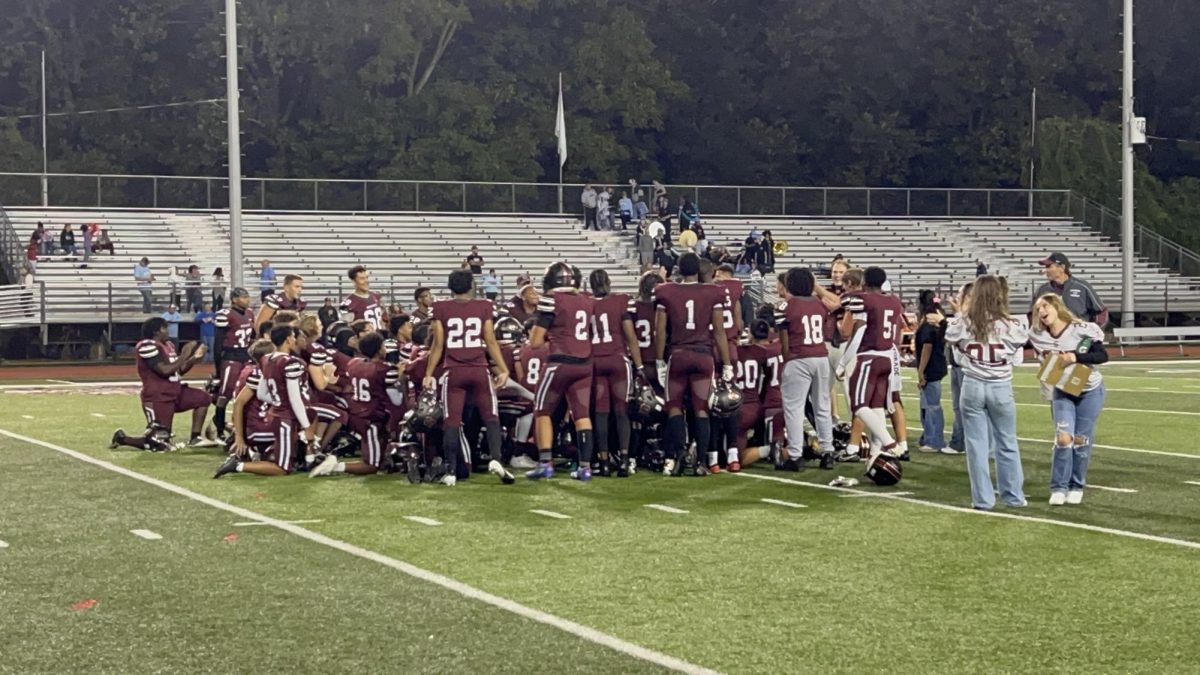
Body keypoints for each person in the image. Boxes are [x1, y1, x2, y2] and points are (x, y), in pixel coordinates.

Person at [945, 275, 1029, 511]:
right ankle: (1013, 496)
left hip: (972, 384)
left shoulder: (962, 322)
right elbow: (1018, 354)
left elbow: (952, 342)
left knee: (976, 446)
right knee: (1007, 442)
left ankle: (982, 499)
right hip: (1001, 386)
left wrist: (963, 313)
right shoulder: (1013, 325)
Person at [424, 269, 514, 486]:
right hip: (478, 368)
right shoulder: (484, 306)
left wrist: (428, 373)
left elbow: (438, 344)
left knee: (452, 420)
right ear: (471, 285)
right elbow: (490, 341)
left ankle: (452, 471)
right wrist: (504, 369)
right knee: (491, 416)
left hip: (453, 370)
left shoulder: (440, 307)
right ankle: (496, 459)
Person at [653, 252, 733, 476]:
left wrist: (659, 360)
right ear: (699, 269)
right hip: (703, 356)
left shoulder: (666, 291)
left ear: (678, 269)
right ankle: (701, 462)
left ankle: (678, 456)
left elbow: (659, 330)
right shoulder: (712, 292)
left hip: (678, 355)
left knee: (675, 407)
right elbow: (719, 332)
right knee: (702, 408)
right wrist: (726, 363)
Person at [1030, 293, 1109, 506]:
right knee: (1064, 439)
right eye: (1038, 309)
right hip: (1063, 390)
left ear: (1057, 307)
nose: (1041, 312)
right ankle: (1058, 487)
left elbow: (1102, 356)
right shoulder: (1036, 334)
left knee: (1081, 441)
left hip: (1089, 390)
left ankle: (1076, 485)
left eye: (1045, 306)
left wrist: (1075, 357)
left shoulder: (1081, 329)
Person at [526, 262, 597, 481]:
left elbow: (535, 342)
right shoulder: (587, 300)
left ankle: (545, 463)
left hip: (559, 362)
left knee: (542, 410)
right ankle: (585, 467)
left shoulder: (551, 300)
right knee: (582, 415)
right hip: (585, 363)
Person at [214, 325, 314, 478]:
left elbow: (261, 393)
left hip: (274, 415)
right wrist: (306, 427)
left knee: (310, 417)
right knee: (283, 468)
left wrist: (278, 401)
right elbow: (294, 399)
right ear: (288, 339)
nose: (295, 339)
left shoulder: (267, 360)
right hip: (283, 418)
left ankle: (303, 457)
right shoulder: (290, 362)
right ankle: (239, 465)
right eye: (293, 336)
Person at [309, 332, 403, 478]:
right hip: (371, 418)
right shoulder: (386, 369)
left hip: (358, 414)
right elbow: (397, 400)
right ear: (379, 349)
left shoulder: (354, 363)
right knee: (372, 465)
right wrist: (401, 378)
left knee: (377, 452)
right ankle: (335, 466)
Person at [109, 317, 210, 452]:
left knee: (203, 398)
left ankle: (195, 437)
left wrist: (193, 359)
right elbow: (164, 370)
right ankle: (123, 438)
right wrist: (185, 354)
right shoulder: (146, 345)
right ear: (156, 331)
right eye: (165, 328)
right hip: (158, 396)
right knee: (159, 442)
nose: (168, 331)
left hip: (176, 391)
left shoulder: (168, 345)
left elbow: (178, 370)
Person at [837, 267, 906, 462]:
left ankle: (890, 444)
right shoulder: (893, 301)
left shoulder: (864, 300)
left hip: (870, 356)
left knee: (859, 405)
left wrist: (843, 363)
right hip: (888, 356)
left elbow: (858, 333)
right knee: (877, 405)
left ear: (865, 282)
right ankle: (876, 453)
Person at [775, 268, 836, 470]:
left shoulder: (786, 306)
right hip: (821, 356)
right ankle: (828, 452)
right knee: (822, 407)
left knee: (794, 408)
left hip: (798, 358)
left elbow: (784, 340)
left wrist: (787, 360)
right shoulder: (819, 303)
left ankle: (795, 455)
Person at [589, 269, 641, 476]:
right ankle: (624, 460)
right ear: (608, 282)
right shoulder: (621, 301)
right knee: (621, 411)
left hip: (595, 360)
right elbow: (630, 336)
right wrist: (640, 366)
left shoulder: (587, 304)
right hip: (618, 360)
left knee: (601, 413)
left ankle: (603, 461)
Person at [212, 287, 256, 442]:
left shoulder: (250, 313)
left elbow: (253, 337)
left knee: (246, 391)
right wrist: (218, 369)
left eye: (247, 296)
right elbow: (218, 343)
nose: (247, 299)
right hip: (230, 356)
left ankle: (238, 426)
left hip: (245, 355)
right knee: (225, 393)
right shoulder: (225, 315)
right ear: (234, 299)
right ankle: (219, 431)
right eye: (244, 297)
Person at [1033, 252, 1109, 327]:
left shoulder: (1082, 287)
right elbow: (1033, 314)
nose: (1045, 270)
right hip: (1050, 337)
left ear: (1062, 267)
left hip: (1078, 337)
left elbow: (1101, 312)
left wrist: (1093, 333)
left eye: (1049, 266)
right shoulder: (1042, 290)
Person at [914, 290, 948, 453]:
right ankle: (928, 436)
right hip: (936, 365)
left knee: (932, 406)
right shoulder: (936, 318)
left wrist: (921, 371)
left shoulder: (929, 322)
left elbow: (927, 346)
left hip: (931, 367)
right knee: (927, 404)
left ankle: (935, 440)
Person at [339, 265, 384, 329]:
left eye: (367, 277)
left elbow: (381, 321)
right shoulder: (348, 304)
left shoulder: (376, 296)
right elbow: (346, 329)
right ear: (354, 282)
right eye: (362, 278)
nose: (366, 281)